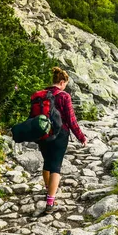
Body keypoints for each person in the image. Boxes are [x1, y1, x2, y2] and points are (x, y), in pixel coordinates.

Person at [39, 67, 87, 213]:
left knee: (47, 163)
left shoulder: (41, 94)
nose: (65, 86)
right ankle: (50, 202)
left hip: (43, 133)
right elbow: (71, 120)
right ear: (61, 82)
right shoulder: (64, 96)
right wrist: (81, 137)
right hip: (60, 134)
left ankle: (48, 190)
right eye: (65, 84)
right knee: (56, 167)